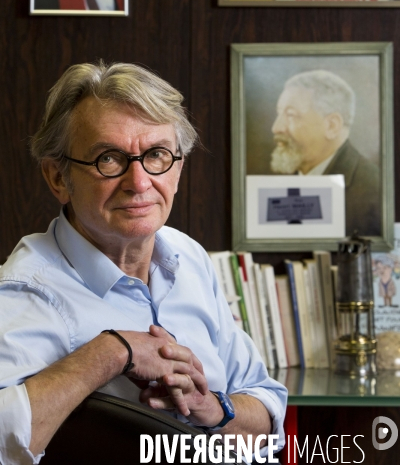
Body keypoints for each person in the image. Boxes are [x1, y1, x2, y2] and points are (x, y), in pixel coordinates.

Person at [0, 62, 287, 464]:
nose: (139, 183)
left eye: (156, 155)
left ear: (178, 167)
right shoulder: (26, 289)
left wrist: (212, 408)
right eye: (109, 159)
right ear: (58, 178)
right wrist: (111, 353)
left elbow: (266, 406)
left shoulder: (187, 256)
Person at [270, 69, 381, 236]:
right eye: (279, 114)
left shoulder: (375, 190)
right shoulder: (277, 182)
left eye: (291, 115)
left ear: (332, 126)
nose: (276, 128)